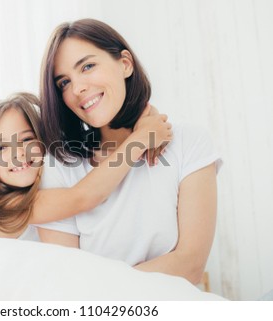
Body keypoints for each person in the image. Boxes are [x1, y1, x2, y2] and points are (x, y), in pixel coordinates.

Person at [37, 18, 222, 285]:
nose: (77, 89)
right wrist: (138, 141)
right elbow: (71, 284)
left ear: (125, 64)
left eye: (87, 66)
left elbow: (190, 265)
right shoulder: (60, 167)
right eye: (64, 82)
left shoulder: (189, 142)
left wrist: (103, 283)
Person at [0, 92, 171, 239]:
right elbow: (84, 197)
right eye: (1, 148)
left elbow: (85, 138)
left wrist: (147, 116)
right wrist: (140, 139)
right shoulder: (6, 206)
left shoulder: (50, 173)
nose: (18, 153)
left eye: (27, 139)